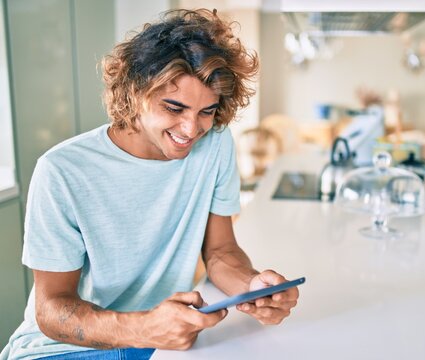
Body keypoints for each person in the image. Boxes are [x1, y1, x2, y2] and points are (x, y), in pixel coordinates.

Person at [1, 9, 300, 360]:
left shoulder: (215, 143)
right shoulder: (62, 171)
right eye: (174, 108)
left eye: (207, 111)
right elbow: (51, 311)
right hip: (64, 350)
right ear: (134, 93)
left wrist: (252, 287)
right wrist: (142, 328)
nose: (191, 129)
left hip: (160, 343)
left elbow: (220, 251)